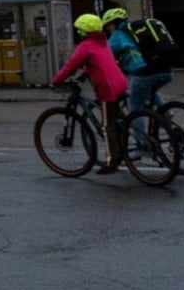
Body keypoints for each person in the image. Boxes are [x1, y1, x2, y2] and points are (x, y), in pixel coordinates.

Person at [53, 13, 128, 173]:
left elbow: (71, 65)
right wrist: (86, 72)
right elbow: (97, 61)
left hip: (107, 89)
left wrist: (57, 80)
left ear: (83, 31)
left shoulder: (85, 46)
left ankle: (112, 162)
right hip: (120, 83)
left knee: (107, 125)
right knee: (117, 120)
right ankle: (123, 146)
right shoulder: (103, 42)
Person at [118, 9, 176, 143]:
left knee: (135, 107)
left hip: (147, 72)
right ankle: (165, 113)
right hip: (167, 70)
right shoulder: (138, 29)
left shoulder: (118, 35)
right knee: (149, 90)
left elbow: (108, 55)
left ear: (110, 24)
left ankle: (142, 143)